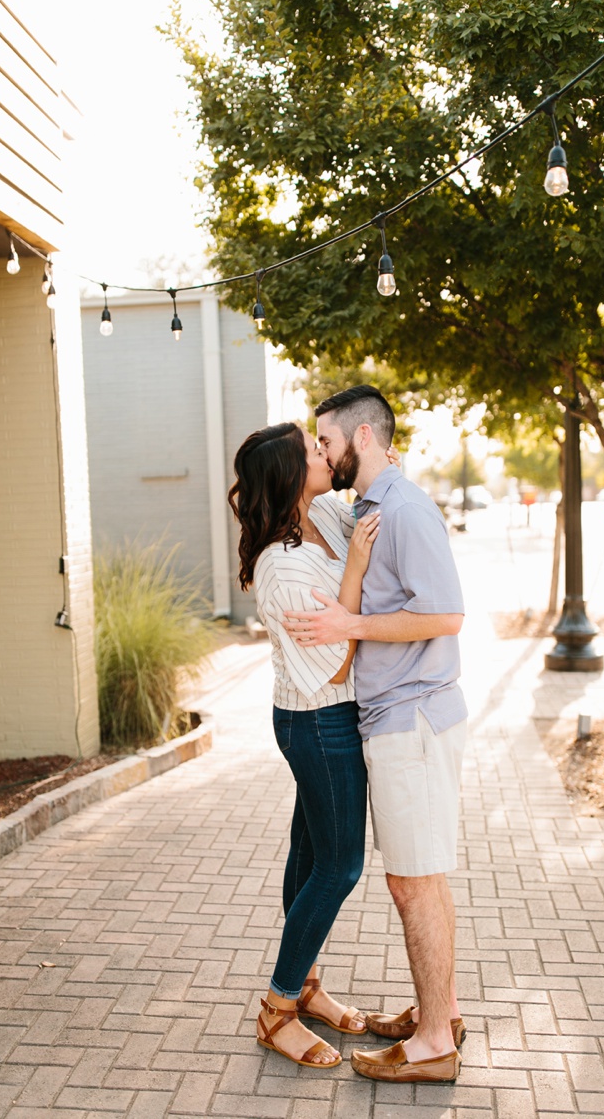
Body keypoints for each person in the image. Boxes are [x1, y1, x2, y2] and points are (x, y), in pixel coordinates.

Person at [285, 384, 468, 1084]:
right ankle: (439, 1014)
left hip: (412, 719)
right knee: (422, 878)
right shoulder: (367, 508)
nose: (322, 454)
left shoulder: (404, 509)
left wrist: (350, 626)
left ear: (360, 438)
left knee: (411, 884)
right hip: (401, 718)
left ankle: (430, 1048)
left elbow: (447, 615)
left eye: (325, 441)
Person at [229, 422, 380, 1070]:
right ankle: (277, 1009)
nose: (325, 452)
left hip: (323, 719)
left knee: (310, 853)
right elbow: (338, 662)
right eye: (312, 449)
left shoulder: (318, 509)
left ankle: (307, 986)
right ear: (291, 475)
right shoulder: (281, 568)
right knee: (340, 866)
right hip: (319, 721)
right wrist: (356, 567)